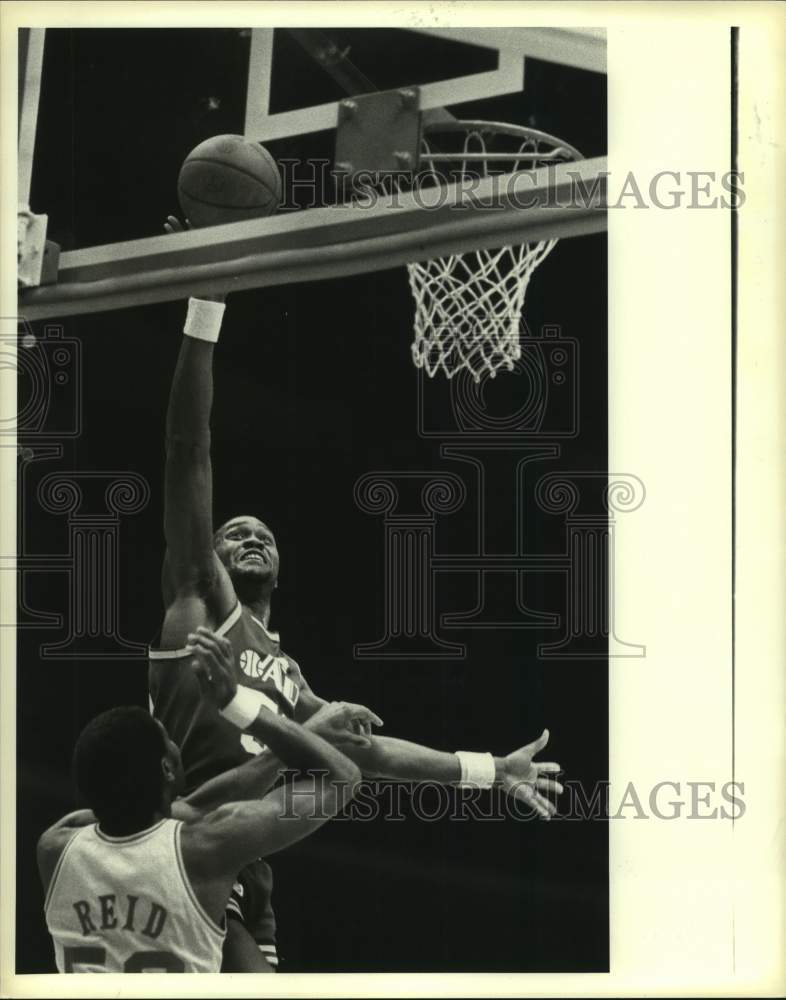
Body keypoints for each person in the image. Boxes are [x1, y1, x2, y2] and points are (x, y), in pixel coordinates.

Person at [149, 220, 565, 970]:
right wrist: (207, 298)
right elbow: (189, 450)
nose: (248, 537)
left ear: (282, 569)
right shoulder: (198, 601)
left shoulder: (293, 676)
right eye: (231, 531)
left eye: (262, 535)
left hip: (257, 852)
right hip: (189, 838)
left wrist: (485, 770)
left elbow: (366, 753)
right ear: (202, 555)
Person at [39, 629, 371, 973]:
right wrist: (238, 704)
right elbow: (343, 777)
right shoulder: (206, 849)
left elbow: (190, 807)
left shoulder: (56, 845)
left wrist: (296, 740)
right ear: (167, 768)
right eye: (168, 739)